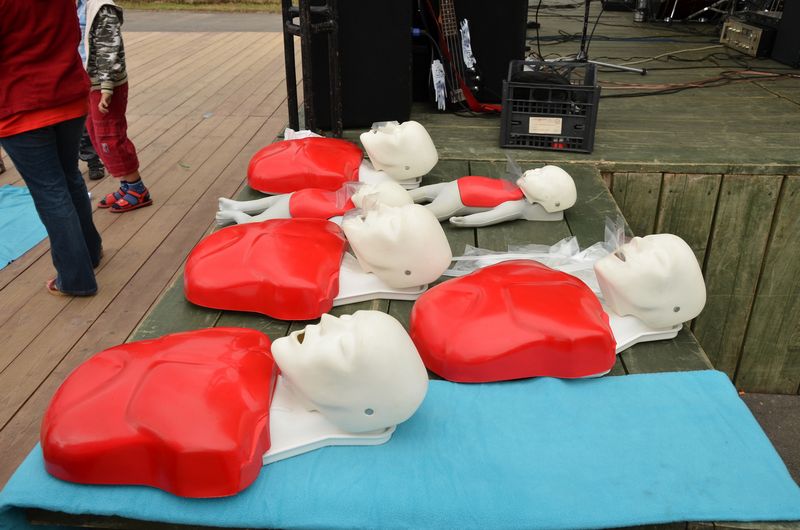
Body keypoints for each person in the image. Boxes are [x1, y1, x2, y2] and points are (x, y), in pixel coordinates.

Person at [0, 0, 102, 296]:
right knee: (69, 177)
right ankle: (90, 252)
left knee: (50, 191)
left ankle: (76, 279)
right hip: (68, 95)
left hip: (21, 106)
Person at [84, 0, 152, 212]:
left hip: (106, 85)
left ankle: (137, 189)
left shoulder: (101, 6)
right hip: (87, 82)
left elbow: (109, 48)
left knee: (110, 138)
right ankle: (125, 186)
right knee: (95, 135)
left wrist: (107, 86)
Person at [77, 0, 106, 182]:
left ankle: (93, 160)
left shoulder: (92, 5)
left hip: (86, 71)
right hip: (62, 71)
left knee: (85, 119)